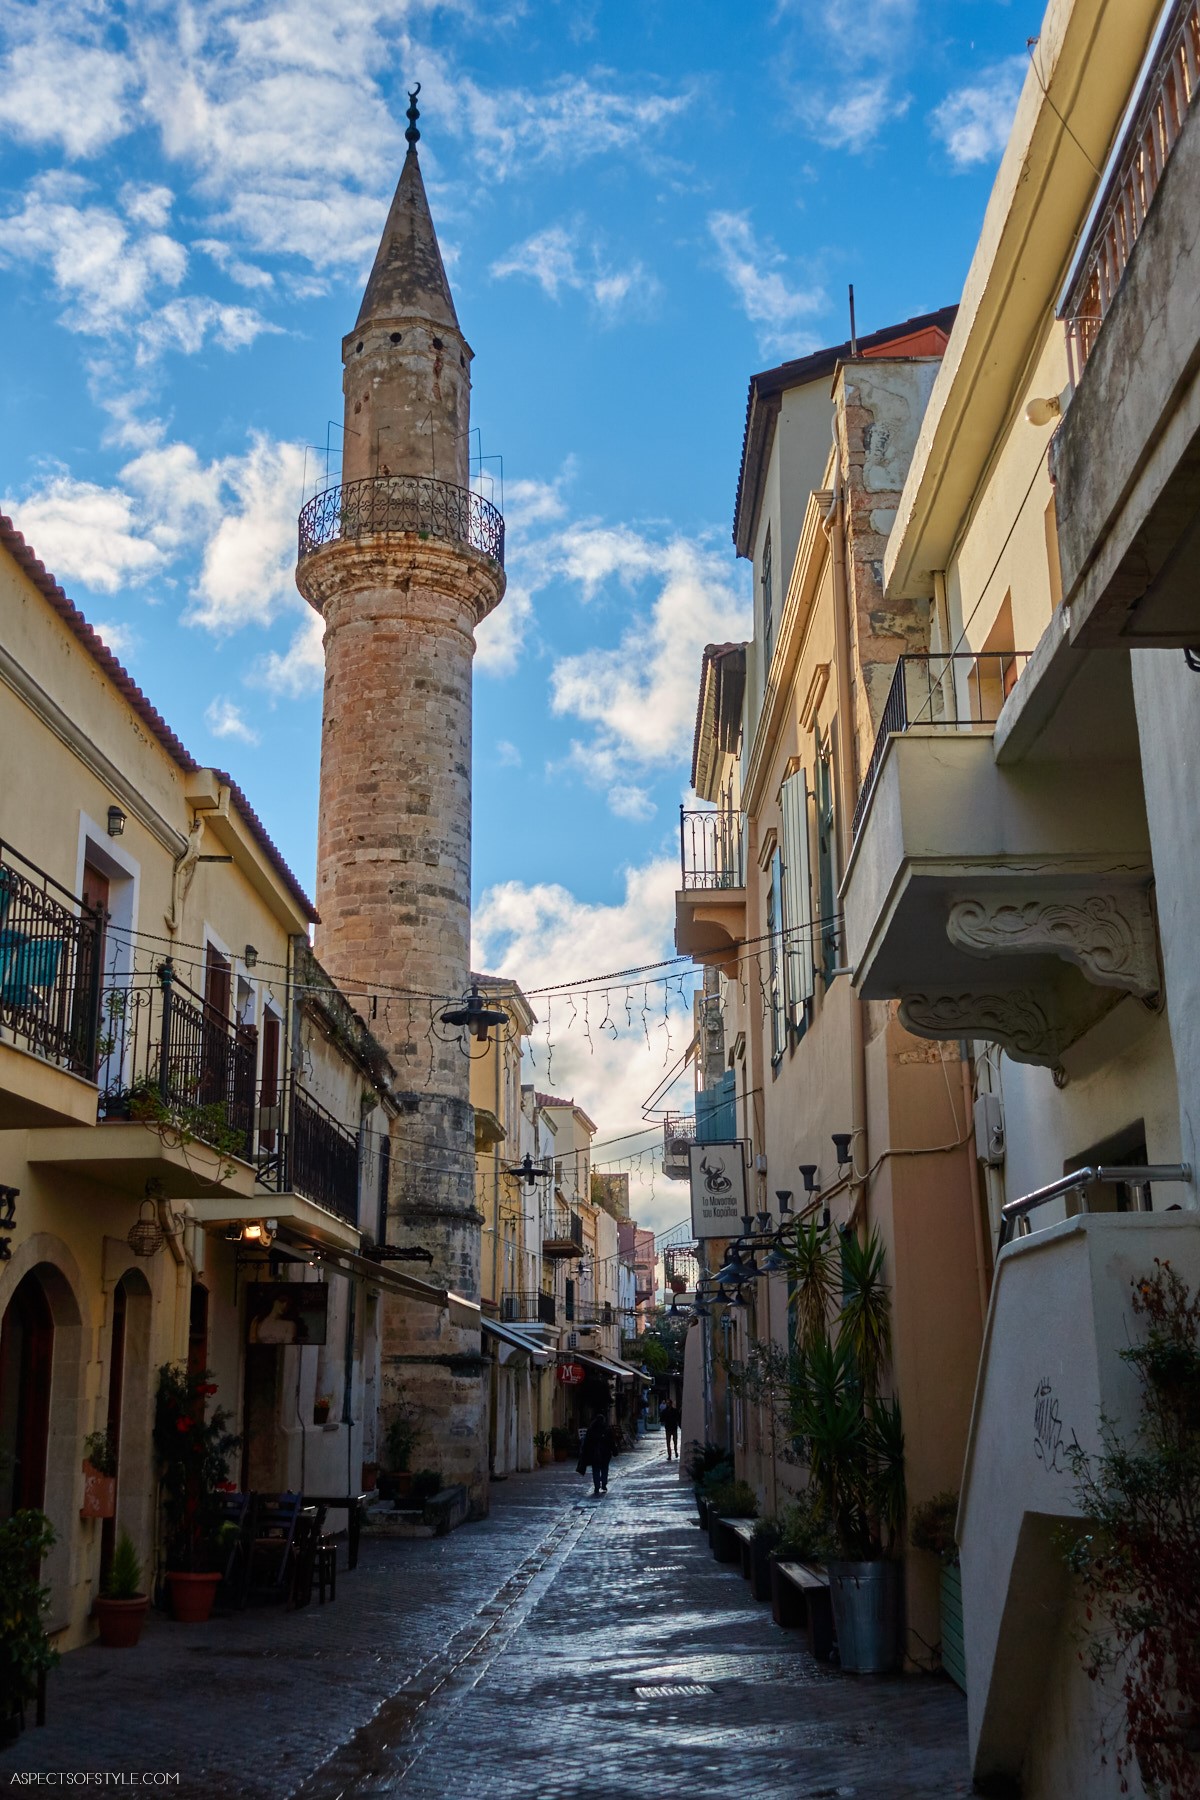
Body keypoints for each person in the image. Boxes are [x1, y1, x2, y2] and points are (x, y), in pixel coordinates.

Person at [578, 1410, 614, 1495]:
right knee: (604, 1469)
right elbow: (611, 1442)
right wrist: (614, 1450)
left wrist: (584, 1452)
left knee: (596, 1470)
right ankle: (604, 1484)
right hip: (605, 1454)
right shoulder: (607, 1429)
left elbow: (586, 1443)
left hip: (594, 1454)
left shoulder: (591, 1430)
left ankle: (597, 1486)